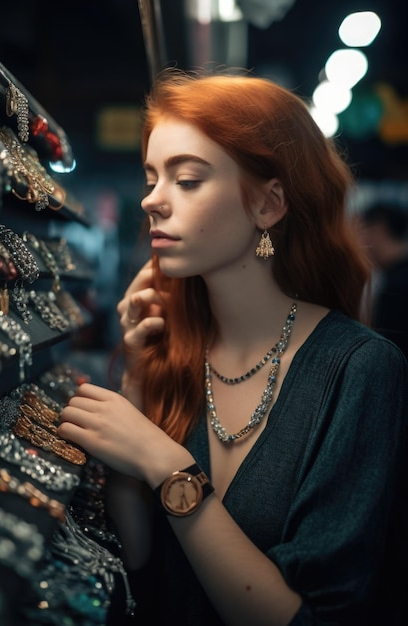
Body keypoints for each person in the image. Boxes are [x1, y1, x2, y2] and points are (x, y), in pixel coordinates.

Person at [58, 70, 408, 626]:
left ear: (268, 206)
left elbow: (309, 617)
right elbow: (140, 570)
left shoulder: (358, 369)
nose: (152, 200)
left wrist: (166, 463)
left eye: (187, 180)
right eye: (151, 178)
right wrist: (137, 387)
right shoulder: (173, 351)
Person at [355, 202, 408, 360]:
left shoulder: (396, 287)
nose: (358, 243)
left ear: (377, 229)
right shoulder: (395, 279)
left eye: (361, 231)